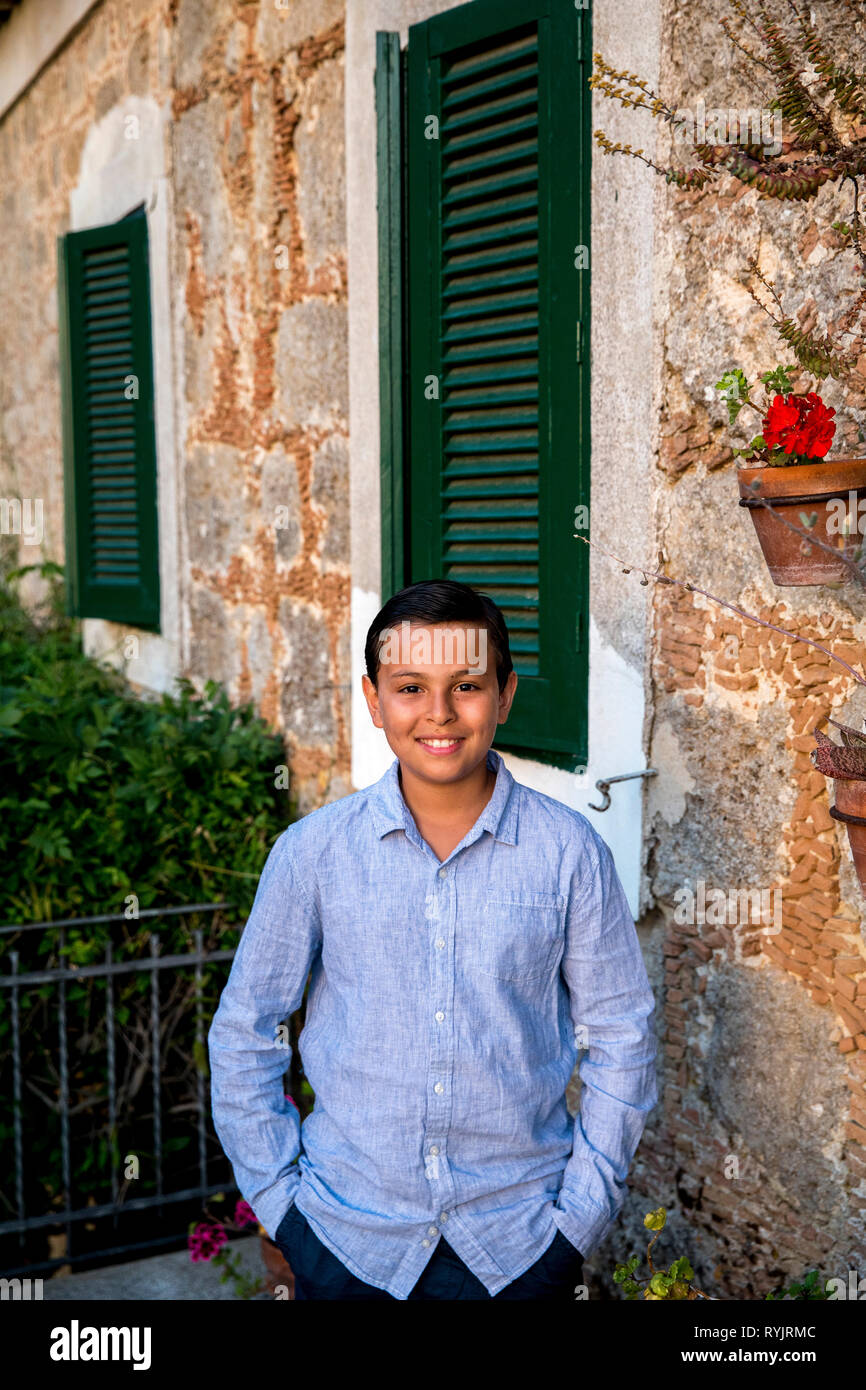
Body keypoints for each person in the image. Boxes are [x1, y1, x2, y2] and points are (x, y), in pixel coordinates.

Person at [208, 579, 658, 1300]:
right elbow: (245, 1031)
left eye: (467, 686)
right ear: (374, 698)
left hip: (518, 1248)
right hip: (346, 1240)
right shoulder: (312, 854)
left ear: (505, 695)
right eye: (411, 686)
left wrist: (578, 1222)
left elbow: (622, 1035)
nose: (440, 713)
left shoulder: (569, 853)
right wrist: (283, 1208)